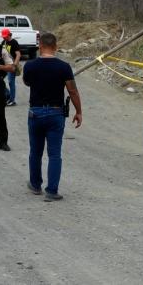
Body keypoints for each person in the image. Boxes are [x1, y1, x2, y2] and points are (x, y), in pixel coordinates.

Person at [23, 32, 82, 201]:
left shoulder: (30, 65)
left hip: (35, 112)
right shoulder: (64, 67)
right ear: (55, 47)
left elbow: (27, 82)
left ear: (40, 46)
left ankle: (35, 185)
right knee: (54, 154)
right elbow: (72, 90)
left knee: (35, 151)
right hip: (56, 113)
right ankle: (52, 191)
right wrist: (79, 111)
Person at [0, 28, 21, 106]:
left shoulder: (14, 42)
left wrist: (14, 65)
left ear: (9, 34)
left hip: (12, 65)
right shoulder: (3, 42)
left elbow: (18, 54)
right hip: (4, 65)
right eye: (3, 36)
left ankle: (12, 100)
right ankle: (8, 95)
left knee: (11, 82)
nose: (4, 37)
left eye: (5, 36)